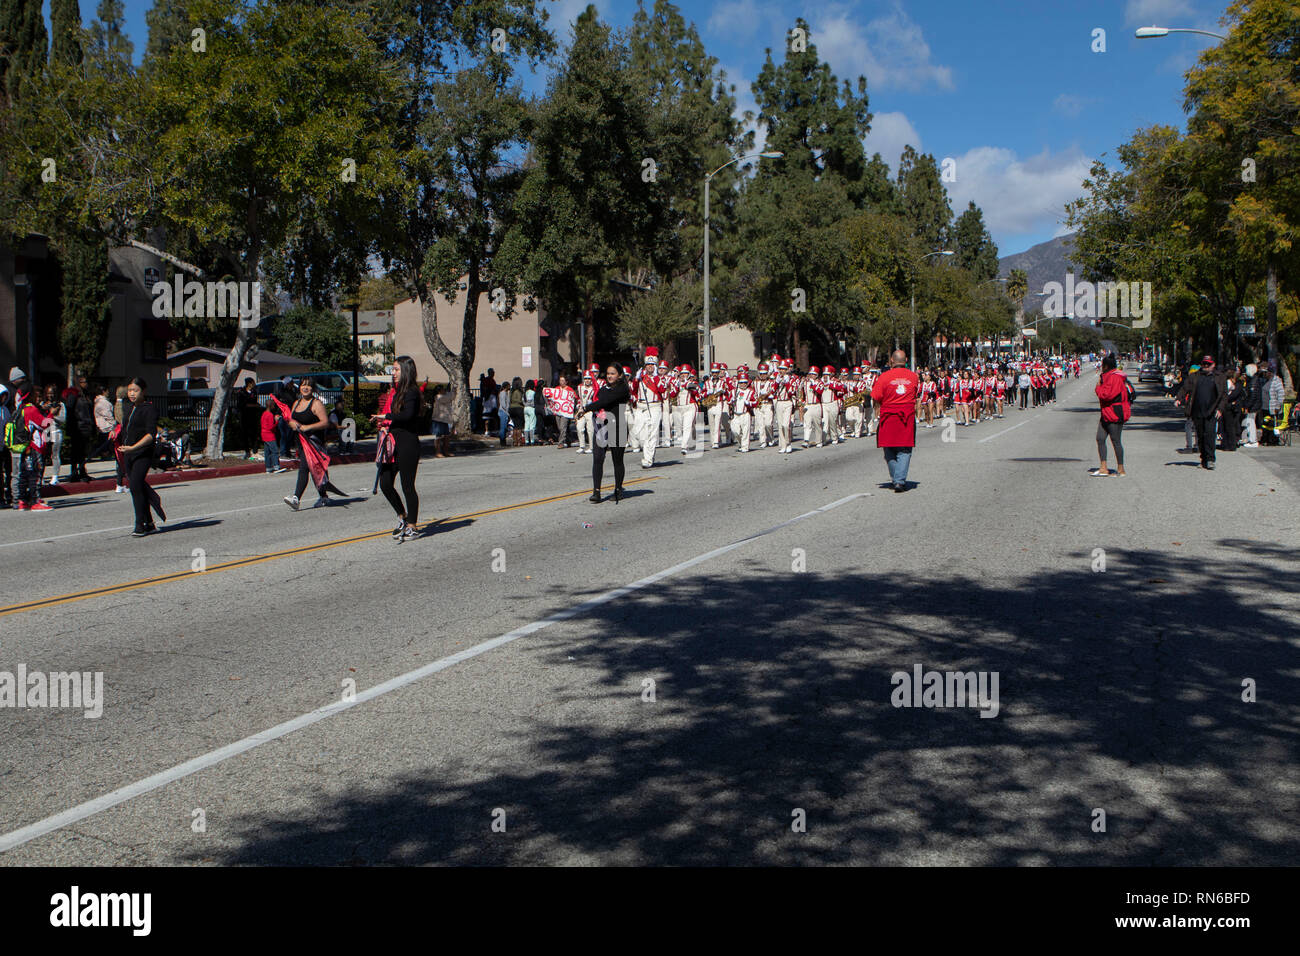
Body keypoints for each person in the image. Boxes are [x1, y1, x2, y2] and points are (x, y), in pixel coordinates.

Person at [373, 356, 423, 541]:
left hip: (408, 443)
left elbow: (408, 415)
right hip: (392, 443)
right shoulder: (395, 392)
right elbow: (394, 416)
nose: (393, 373)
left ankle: (413, 526)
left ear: (406, 371)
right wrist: (384, 423)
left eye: (396, 370)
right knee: (385, 483)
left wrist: (387, 416)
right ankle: (402, 517)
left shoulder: (411, 392)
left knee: (407, 486)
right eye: (392, 370)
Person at [277, 379, 346, 509]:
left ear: (313, 388)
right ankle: (324, 497)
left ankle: (296, 498)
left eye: (309, 385)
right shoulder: (297, 403)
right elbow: (290, 419)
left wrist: (307, 427)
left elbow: (325, 422)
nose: (306, 388)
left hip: (315, 443)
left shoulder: (316, 403)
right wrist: (292, 424)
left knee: (304, 467)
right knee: (315, 470)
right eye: (303, 385)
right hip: (301, 442)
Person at [118, 377, 166, 534]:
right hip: (128, 454)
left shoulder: (149, 409)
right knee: (138, 487)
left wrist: (133, 447)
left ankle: (139, 525)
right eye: (130, 390)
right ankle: (149, 522)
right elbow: (126, 429)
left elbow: (150, 435)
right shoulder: (129, 408)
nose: (132, 394)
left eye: (135, 391)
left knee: (135, 487)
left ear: (143, 391)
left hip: (142, 453)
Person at [871, 350, 919, 493]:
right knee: (904, 449)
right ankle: (898, 480)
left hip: (888, 417)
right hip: (906, 417)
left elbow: (876, 396)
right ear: (905, 361)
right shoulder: (913, 377)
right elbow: (915, 393)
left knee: (889, 449)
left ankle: (897, 479)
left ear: (891, 360)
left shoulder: (884, 377)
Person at [583, 364, 631, 503]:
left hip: (618, 426)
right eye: (608, 373)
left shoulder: (622, 389)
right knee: (598, 458)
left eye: (613, 373)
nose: (609, 376)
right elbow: (601, 399)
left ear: (620, 375)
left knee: (617, 460)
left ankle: (618, 490)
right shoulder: (604, 388)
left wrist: (586, 408)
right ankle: (596, 492)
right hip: (602, 425)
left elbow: (605, 401)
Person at [1175, 356, 1226, 470]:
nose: (1205, 366)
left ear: (1213, 365)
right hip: (1197, 410)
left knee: (1210, 435)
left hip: (1212, 411)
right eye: (1204, 364)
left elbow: (1223, 395)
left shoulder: (1219, 377)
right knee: (1201, 436)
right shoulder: (1195, 376)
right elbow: (1185, 388)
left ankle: (1211, 459)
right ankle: (1204, 458)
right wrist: (1179, 398)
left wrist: (1220, 409)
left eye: (1208, 364)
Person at [1092, 353, 1130, 477]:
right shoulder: (1108, 377)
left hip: (1114, 412)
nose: (1101, 368)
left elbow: (1107, 395)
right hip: (1106, 413)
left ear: (1106, 366)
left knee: (1116, 441)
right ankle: (1103, 466)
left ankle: (1121, 468)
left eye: (1103, 365)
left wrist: (1098, 388)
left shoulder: (1114, 378)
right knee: (1100, 438)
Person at [430, 383, 455, 458]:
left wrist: (453, 391)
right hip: (438, 419)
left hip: (445, 420)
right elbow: (450, 397)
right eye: (443, 389)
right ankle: (438, 452)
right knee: (439, 437)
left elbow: (450, 396)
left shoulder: (444, 396)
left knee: (446, 436)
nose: (444, 390)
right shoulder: (438, 397)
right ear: (439, 391)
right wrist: (453, 391)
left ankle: (446, 451)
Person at [551, 374, 575, 449]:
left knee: (563, 427)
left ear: (566, 382)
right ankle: (568, 439)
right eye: (560, 380)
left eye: (563, 380)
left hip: (565, 412)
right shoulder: (557, 389)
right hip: (558, 411)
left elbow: (574, 397)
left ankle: (561, 442)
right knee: (560, 427)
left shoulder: (570, 390)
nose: (561, 382)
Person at [261, 401, 286, 474]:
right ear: (271, 406)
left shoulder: (264, 414)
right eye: (273, 405)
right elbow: (271, 427)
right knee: (274, 451)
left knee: (267, 451)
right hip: (270, 435)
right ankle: (276, 466)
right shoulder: (270, 415)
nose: (274, 407)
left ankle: (268, 467)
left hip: (264, 434)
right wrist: (276, 421)